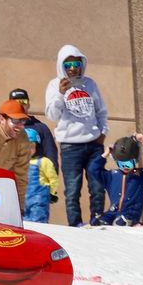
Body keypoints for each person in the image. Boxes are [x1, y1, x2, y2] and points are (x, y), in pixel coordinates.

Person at [44, 45, 110, 226]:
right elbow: (52, 115)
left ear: (82, 63)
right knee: (72, 190)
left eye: (77, 63)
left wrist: (103, 133)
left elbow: (101, 111)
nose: (73, 67)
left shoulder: (90, 84)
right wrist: (60, 94)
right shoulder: (54, 85)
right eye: (69, 64)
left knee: (97, 186)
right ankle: (75, 224)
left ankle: (97, 220)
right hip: (70, 146)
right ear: (62, 66)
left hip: (94, 144)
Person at [90, 134, 143, 226]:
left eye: (129, 163)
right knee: (97, 222)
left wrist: (142, 142)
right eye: (122, 164)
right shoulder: (111, 176)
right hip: (113, 212)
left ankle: (124, 222)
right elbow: (93, 170)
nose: (126, 167)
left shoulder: (142, 176)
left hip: (130, 215)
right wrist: (105, 154)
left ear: (135, 160)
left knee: (120, 222)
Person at [8, 87, 58, 169]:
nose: (20, 105)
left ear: (28, 105)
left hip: (36, 178)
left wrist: (51, 177)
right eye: (15, 103)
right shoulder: (3, 128)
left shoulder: (41, 127)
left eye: (23, 102)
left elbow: (51, 155)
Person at [23, 129, 59, 224]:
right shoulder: (20, 163)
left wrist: (52, 193)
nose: (28, 150)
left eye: (31, 146)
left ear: (37, 147)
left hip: (39, 201)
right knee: (23, 225)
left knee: (38, 224)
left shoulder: (43, 161)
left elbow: (53, 179)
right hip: (23, 201)